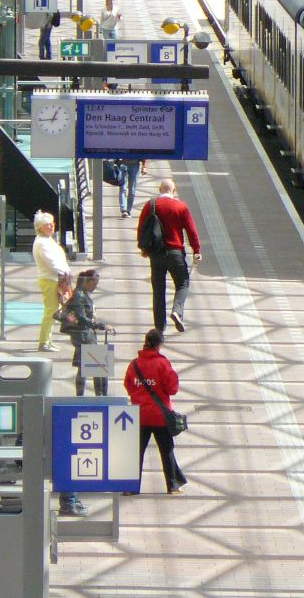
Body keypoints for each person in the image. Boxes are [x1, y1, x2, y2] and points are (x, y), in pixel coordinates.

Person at [123, 329, 186, 495]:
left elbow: (128, 386)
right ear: (159, 344)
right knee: (166, 450)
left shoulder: (134, 364)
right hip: (159, 416)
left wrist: (139, 396)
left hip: (139, 414)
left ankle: (131, 487)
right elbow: (172, 389)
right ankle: (172, 485)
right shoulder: (162, 364)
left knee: (136, 451)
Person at [137, 179, 202, 333]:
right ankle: (177, 311)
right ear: (174, 190)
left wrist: (143, 248)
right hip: (175, 253)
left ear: (160, 189)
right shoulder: (181, 206)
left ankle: (159, 328)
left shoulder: (150, 204)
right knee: (183, 283)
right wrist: (197, 250)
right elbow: (191, 230)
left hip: (156, 254)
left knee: (158, 290)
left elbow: (141, 227)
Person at [60, 269, 115, 397]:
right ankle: (97, 395)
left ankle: (86, 395)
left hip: (84, 334)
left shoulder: (83, 293)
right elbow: (82, 318)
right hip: (83, 335)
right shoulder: (79, 295)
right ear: (88, 281)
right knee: (93, 365)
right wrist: (100, 325)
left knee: (84, 367)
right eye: (94, 284)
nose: (95, 287)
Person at [32, 210, 70, 352]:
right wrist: (64, 272)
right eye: (47, 224)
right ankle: (44, 342)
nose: (51, 226)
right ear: (40, 227)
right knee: (51, 311)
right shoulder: (42, 243)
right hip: (50, 278)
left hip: (54, 278)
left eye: (52, 224)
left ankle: (48, 340)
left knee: (53, 309)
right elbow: (51, 262)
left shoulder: (47, 240)